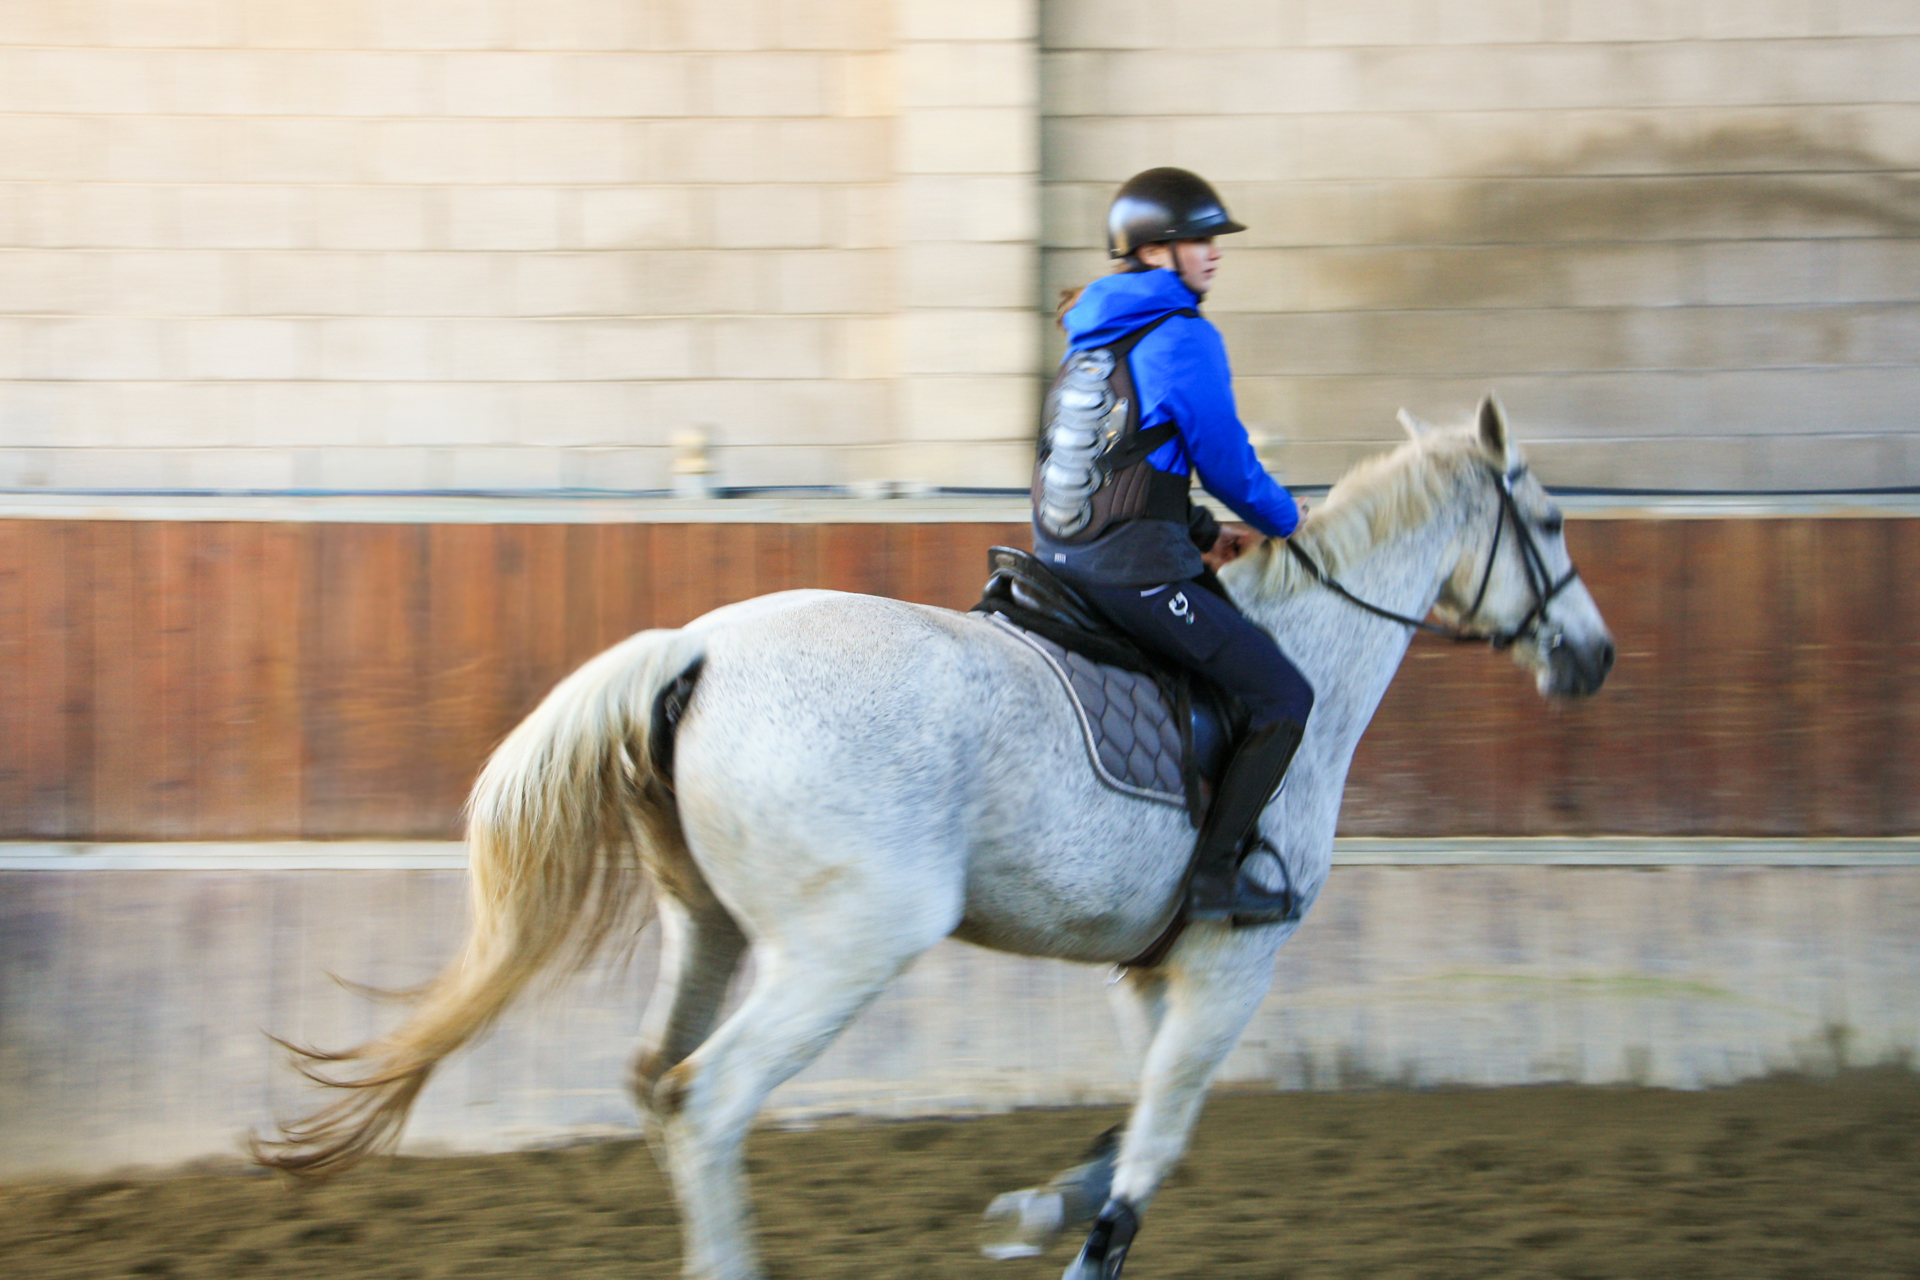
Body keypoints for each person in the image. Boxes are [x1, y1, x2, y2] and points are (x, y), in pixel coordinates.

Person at [1034, 167, 1313, 924]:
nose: (1214, 253)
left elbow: (1104, 457)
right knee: (1284, 694)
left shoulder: (1090, 331)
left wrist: (1198, 532)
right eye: (1199, 239)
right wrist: (1291, 521)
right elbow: (1227, 465)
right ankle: (1213, 878)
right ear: (1157, 252)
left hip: (1057, 562)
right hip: (1131, 575)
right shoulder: (1184, 336)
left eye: (1214, 240)